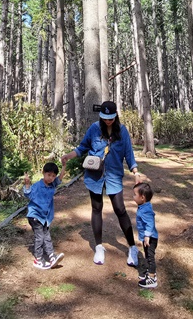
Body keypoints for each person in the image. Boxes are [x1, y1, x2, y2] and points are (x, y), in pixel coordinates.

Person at [61, 100, 142, 266]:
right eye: (105, 118)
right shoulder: (94, 129)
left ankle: (132, 247)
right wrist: (68, 156)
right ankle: (99, 247)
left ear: (115, 116)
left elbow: (129, 154)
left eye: (111, 118)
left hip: (113, 174)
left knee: (120, 209)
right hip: (94, 175)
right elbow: (82, 147)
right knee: (96, 208)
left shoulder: (123, 131)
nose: (108, 121)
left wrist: (135, 172)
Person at [23, 162, 65, 270]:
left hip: (45, 217)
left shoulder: (52, 185)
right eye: (49, 175)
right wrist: (27, 184)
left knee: (47, 236)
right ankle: (38, 259)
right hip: (35, 215)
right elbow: (28, 194)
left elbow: (60, 178)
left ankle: (51, 256)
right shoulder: (37, 186)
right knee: (40, 237)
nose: (51, 178)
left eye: (53, 176)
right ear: (43, 173)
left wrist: (64, 166)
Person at [132, 181, 159, 288]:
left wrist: (147, 236)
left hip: (150, 238)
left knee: (150, 257)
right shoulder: (144, 206)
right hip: (147, 238)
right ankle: (150, 272)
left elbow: (150, 223)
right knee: (147, 255)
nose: (133, 196)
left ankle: (152, 278)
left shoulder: (146, 210)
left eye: (135, 194)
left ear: (142, 197)